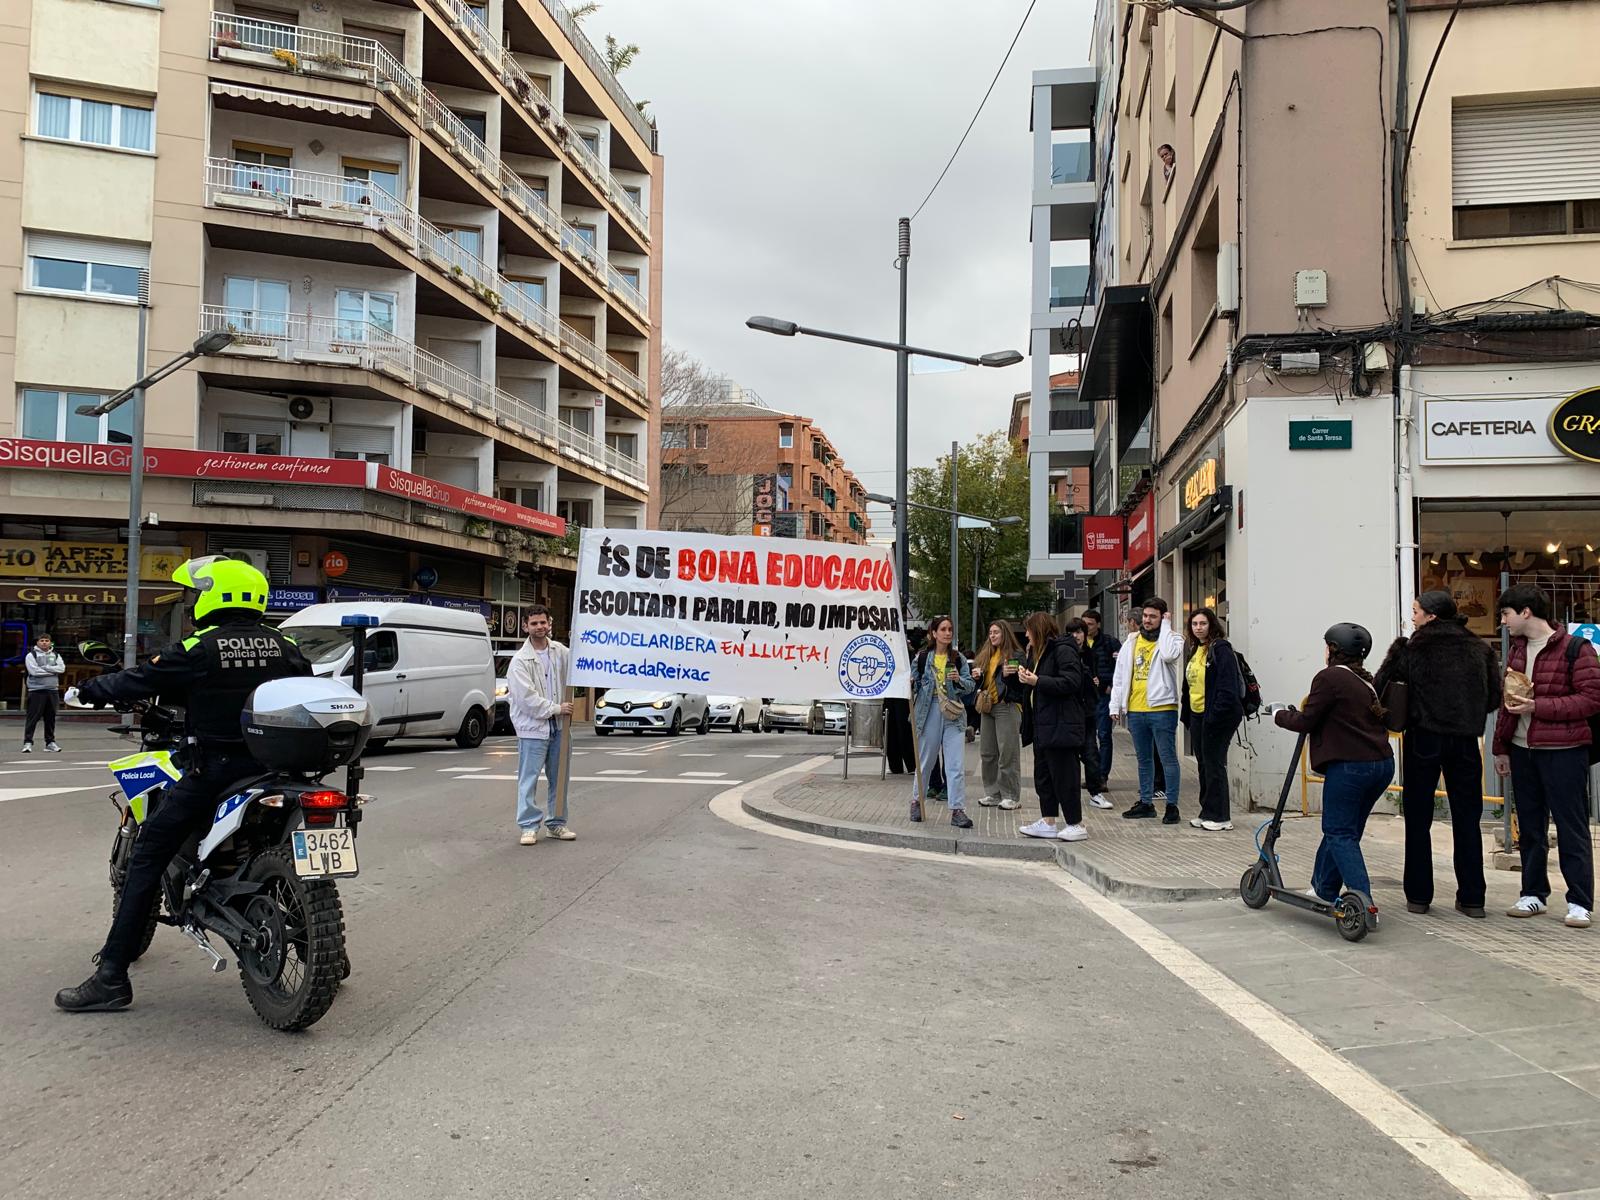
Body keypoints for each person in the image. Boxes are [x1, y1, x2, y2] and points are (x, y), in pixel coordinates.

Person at [54, 556, 313, 1012]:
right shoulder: (286, 645)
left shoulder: (200, 647)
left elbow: (138, 679)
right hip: (276, 771)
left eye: (196, 594)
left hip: (216, 770)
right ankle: (328, 953)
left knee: (149, 854)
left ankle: (112, 976)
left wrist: (84, 691)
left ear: (214, 595)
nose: (193, 602)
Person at [1374, 590, 1501, 918]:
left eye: (1415, 611)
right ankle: (1473, 898)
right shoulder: (1479, 648)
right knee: (1467, 819)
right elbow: (1493, 699)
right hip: (1465, 740)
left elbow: (1381, 688)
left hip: (1423, 737)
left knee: (1418, 818)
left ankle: (1418, 896)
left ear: (1431, 616)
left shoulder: (1411, 647)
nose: (1412, 617)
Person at [1493, 584, 1599, 930]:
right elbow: (1507, 704)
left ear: (1526, 612)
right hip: (1524, 751)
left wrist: (1539, 707)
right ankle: (1533, 893)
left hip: (1565, 752)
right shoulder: (1518, 651)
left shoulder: (1576, 649)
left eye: (1506, 614)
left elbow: (1590, 700)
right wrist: (1501, 747)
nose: (1502, 622)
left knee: (1572, 827)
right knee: (1531, 827)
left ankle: (1580, 901)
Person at [1274, 623, 1395, 911]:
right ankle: (1324, 888)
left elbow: (1307, 721)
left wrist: (1279, 714)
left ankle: (1363, 903)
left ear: (1333, 649)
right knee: (1345, 830)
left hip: (1351, 766)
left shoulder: (1329, 677)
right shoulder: (1364, 680)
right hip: (1381, 764)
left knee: (1340, 832)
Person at [1110, 598, 1184, 823]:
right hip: (1135, 709)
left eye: (1153, 616)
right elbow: (1120, 675)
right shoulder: (1131, 641)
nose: (1148, 620)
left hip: (1162, 708)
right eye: (1145, 616)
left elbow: (1170, 655)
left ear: (1163, 617)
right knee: (1144, 759)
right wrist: (1115, 705)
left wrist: (1167, 627)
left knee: (1167, 757)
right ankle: (1146, 803)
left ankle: (1172, 805)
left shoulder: (1172, 639)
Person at [1017, 612, 1089, 841]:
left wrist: (1038, 681)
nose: (1026, 634)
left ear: (1038, 630)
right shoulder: (1037, 653)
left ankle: (1075, 823)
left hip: (1061, 725)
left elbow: (1072, 682)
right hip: (1043, 725)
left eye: (1028, 630)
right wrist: (1024, 678)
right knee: (1044, 776)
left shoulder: (1062, 650)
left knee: (1065, 776)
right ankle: (1048, 820)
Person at [509, 606, 575, 845]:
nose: (539, 627)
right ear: (525, 626)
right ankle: (528, 825)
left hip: (559, 727)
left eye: (543, 622)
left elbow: (583, 664)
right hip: (533, 729)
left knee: (560, 778)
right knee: (529, 778)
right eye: (534, 623)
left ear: (550, 623)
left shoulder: (561, 652)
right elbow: (526, 699)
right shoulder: (520, 661)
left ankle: (557, 823)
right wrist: (557, 708)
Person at [1181, 607, 1245, 831]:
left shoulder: (1222, 649)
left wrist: (1215, 715)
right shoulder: (1195, 649)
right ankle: (1207, 811)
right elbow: (1188, 684)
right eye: (1195, 624)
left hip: (1218, 717)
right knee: (1203, 764)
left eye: (1203, 624)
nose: (1198, 628)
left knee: (1215, 764)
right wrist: (1187, 715)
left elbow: (1227, 688)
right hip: (1198, 715)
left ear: (1212, 625)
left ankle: (1221, 817)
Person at [910, 615, 974, 828]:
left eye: (950, 629)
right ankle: (917, 801)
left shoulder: (958, 659)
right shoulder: (921, 657)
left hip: (953, 714)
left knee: (955, 763)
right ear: (934, 633)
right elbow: (914, 683)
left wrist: (959, 681)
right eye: (943, 629)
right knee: (926, 760)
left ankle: (957, 809)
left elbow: (970, 685)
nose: (947, 633)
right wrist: (911, 683)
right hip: (929, 711)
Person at [974, 621, 1026, 811]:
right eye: (990, 632)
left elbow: (1021, 684)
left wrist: (1008, 675)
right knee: (987, 753)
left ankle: (1011, 795)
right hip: (988, 706)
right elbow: (983, 681)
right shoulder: (987, 655)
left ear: (1005, 633)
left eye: (996, 632)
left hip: (1007, 705)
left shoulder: (1017, 655)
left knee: (1008, 752)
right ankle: (993, 793)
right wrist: (977, 676)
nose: (992, 636)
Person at [1064, 618, 1111, 809]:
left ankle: (1096, 792)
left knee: (1091, 752)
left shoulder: (1091, 654)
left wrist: (1097, 684)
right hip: (1068, 712)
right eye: (1072, 632)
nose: (1076, 636)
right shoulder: (1063, 653)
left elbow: (1096, 677)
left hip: (1088, 711)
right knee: (1070, 756)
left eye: (1079, 632)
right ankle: (1068, 794)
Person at [1083, 610, 1121, 787]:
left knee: (1104, 735)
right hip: (1085, 698)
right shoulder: (1078, 643)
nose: (1087, 627)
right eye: (1085, 624)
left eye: (1090, 624)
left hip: (1103, 696)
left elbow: (1120, 667)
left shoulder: (1110, 643)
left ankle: (1102, 777)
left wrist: (1109, 687)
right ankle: (1093, 773)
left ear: (1098, 624)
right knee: (1086, 738)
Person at [23, 633, 65, 753]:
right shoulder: (31, 655)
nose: (44, 642)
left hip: (52, 690)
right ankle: (27, 742)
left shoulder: (55, 655)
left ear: (50, 643)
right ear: (37, 643)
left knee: (50, 718)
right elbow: (34, 671)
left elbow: (61, 669)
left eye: (47, 640)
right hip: (36, 690)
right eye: (42, 640)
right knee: (33, 717)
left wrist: (45, 668)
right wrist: (52, 670)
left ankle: (50, 742)